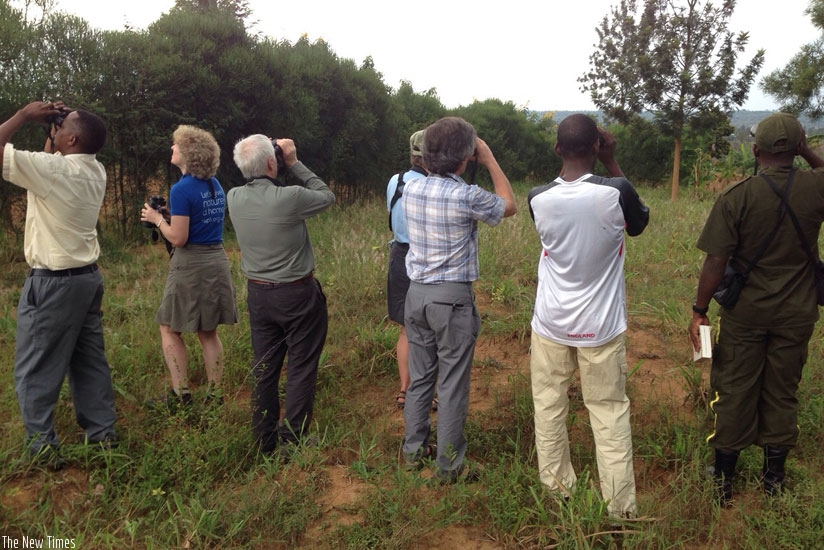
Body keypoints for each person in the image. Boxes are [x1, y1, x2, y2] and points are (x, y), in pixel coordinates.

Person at [689, 112, 824, 505]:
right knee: (783, 390)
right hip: (798, 312)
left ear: (755, 150)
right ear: (798, 148)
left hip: (747, 314)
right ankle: (773, 478)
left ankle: (724, 479)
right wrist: (808, 153)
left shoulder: (738, 196)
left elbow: (715, 262)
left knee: (734, 388)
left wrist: (700, 310)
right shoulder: (816, 188)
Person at [527, 113, 649, 519]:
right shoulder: (617, 191)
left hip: (550, 322)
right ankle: (619, 507)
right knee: (609, 410)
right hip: (600, 327)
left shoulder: (536, 198)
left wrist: (603, 158)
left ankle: (558, 489)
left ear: (558, 149)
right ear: (598, 145)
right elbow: (639, 224)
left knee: (548, 406)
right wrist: (612, 161)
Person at [0, 100, 117, 464]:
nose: (58, 129)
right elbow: (54, 159)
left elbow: (43, 163)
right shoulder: (96, 171)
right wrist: (53, 130)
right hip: (86, 279)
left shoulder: (53, 171)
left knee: (35, 366)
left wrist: (23, 117)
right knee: (88, 362)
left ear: (72, 140)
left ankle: (43, 449)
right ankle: (103, 436)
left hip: (53, 284)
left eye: (63, 126)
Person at [401, 116, 517, 483]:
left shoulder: (412, 188)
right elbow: (508, 204)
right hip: (450, 299)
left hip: (415, 295)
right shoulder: (465, 195)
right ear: (465, 156)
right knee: (452, 384)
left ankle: (412, 452)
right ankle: (450, 468)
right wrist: (489, 157)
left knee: (420, 379)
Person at [228, 134, 334, 457]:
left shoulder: (233, 196)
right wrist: (294, 161)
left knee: (264, 368)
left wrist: (276, 160)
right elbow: (326, 196)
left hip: (258, 294)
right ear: (272, 162)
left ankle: (264, 439)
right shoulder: (289, 197)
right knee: (301, 364)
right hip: (297, 295)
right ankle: (293, 440)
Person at [140, 125, 237, 410]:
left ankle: (180, 394)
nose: (172, 149)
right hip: (216, 260)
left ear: (188, 154)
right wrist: (172, 216)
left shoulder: (181, 188)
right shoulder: (214, 184)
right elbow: (199, 222)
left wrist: (157, 219)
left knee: (169, 328)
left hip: (191, 264)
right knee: (208, 331)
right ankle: (215, 396)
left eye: (176, 145)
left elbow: (179, 238)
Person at [386, 129, 427, 409]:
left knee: (405, 326)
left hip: (399, 255)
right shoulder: (432, 186)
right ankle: (425, 391)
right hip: (425, 257)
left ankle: (405, 388)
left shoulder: (395, 180)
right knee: (428, 328)